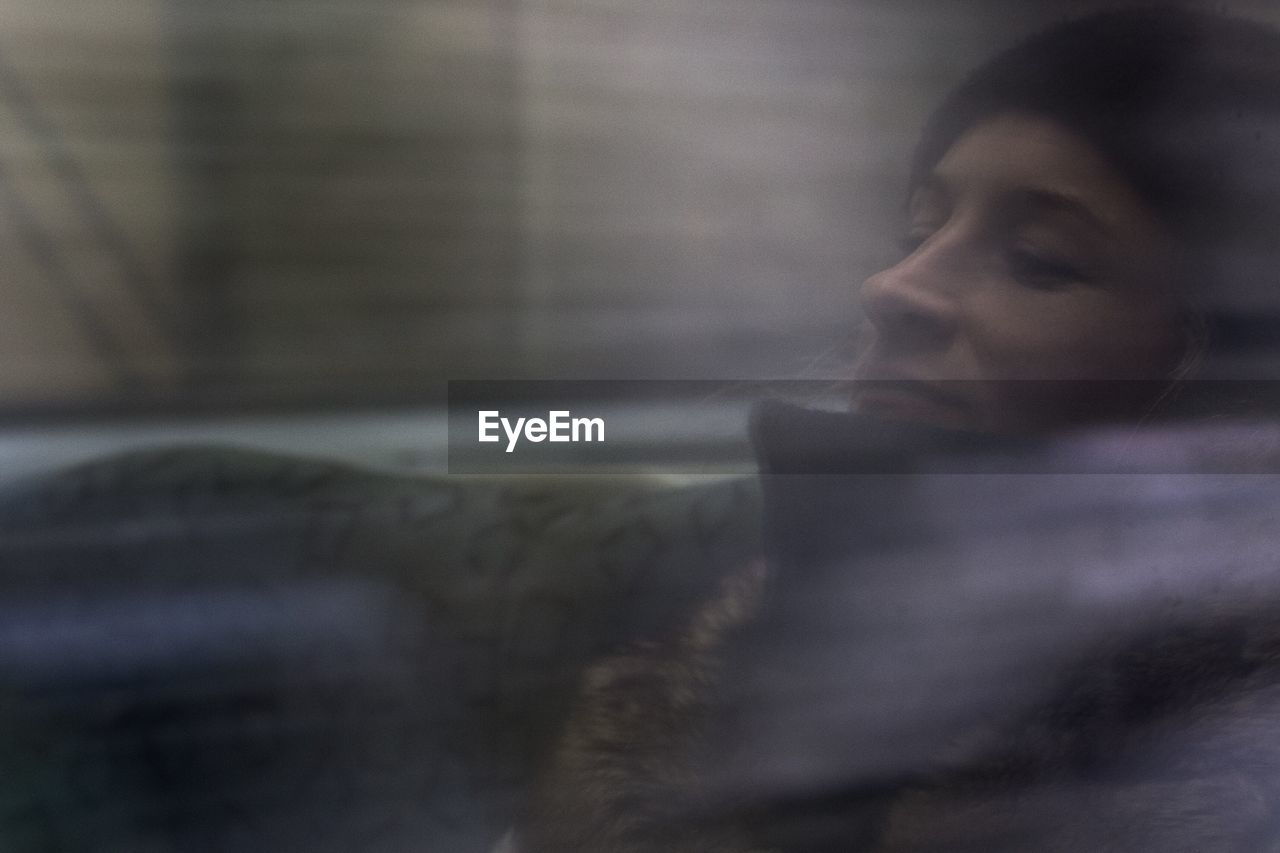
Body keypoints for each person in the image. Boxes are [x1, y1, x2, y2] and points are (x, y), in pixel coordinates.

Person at [517, 7, 1280, 852]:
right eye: (917, 233)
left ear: (1222, 387)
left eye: (1039, 259)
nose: (891, 286)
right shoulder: (695, 662)